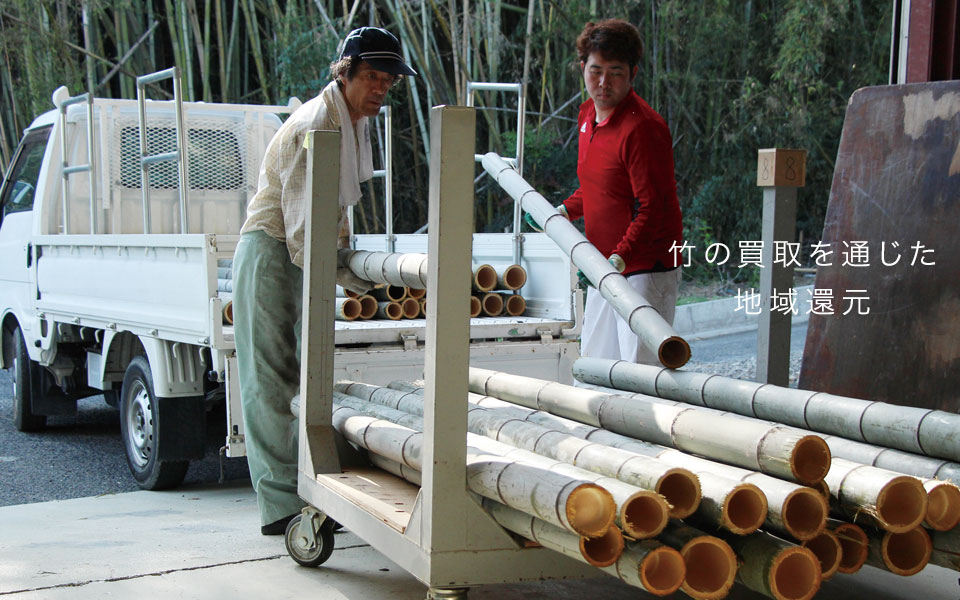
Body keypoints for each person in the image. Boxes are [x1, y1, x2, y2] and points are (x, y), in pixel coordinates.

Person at [233, 27, 416, 535]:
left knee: (304, 378)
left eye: (389, 81)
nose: (380, 88)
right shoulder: (317, 123)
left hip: (297, 255)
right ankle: (280, 508)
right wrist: (351, 277)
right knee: (271, 382)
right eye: (372, 76)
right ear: (345, 72)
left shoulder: (351, 122)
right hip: (273, 252)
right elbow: (301, 229)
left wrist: (358, 272)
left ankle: (310, 490)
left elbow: (332, 214)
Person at [529, 19, 683, 365]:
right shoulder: (587, 115)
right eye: (596, 70)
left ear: (632, 74)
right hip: (604, 266)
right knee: (596, 365)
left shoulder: (643, 128)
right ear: (583, 68)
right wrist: (563, 211)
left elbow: (652, 207)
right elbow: (600, 187)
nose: (603, 82)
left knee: (640, 372)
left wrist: (620, 257)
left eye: (615, 72)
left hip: (645, 268)